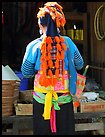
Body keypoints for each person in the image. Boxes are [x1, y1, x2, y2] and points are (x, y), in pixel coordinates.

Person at [21, 2, 84, 135]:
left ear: (40, 24)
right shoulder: (68, 42)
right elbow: (80, 64)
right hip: (64, 100)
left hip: (41, 100)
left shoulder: (33, 46)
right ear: (59, 23)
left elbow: (26, 72)